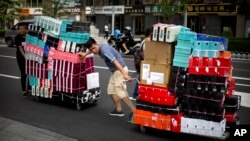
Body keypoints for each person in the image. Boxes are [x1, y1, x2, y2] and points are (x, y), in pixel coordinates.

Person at [78, 37, 135, 121]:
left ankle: (135, 111)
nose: (93, 51)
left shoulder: (104, 51)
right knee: (111, 90)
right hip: (115, 72)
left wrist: (124, 74)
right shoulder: (98, 47)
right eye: (91, 49)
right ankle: (119, 110)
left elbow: (115, 61)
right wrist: (85, 54)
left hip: (119, 70)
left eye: (94, 48)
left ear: (96, 43)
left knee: (120, 91)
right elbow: (91, 49)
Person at [132, 28, 152, 100]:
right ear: (150, 33)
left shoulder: (146, 41)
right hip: (143, 63)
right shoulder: (146, 42)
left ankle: (137, 93)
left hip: (143, 63)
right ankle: (135, 93)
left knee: (142, 78)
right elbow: (144, 54)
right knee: (141, 78)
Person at [15, 24, 29, 96]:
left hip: (29, 57)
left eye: (21, 29)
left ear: (26, 30)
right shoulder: (17, 37)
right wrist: (25, 57)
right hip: (21, 57)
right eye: (19, 29)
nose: (19, 30)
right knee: (24, 73)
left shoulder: (29, 36)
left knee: (30, 72)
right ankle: (24, 90)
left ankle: (29, 88)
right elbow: (20, 49)